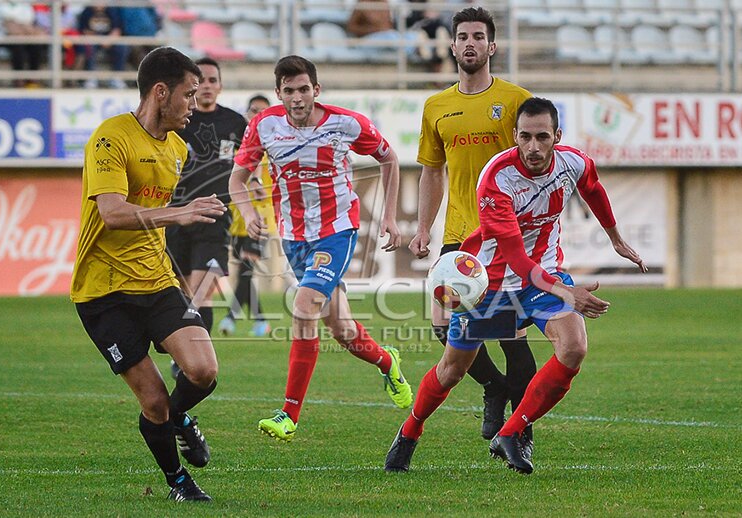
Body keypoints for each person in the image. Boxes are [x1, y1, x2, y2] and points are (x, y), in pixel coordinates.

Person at [385, 96, 648, 474]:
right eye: (525, 137)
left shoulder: (574, 162)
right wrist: (567, 292)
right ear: (515, 136)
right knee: (452, 371)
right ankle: (409, 432)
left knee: (573, 347)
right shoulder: (497, 178)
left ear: (558, 135)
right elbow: (516, 259)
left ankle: (512, 432)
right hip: (488, 284)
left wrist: (616, 239)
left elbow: (592, 186)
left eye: (542, 137)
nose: (533, 147)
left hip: (543, 277)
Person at [229, 55, 412, 442]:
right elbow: (237, 179)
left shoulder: (346, 123)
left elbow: (389, 159)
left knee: (303, 306)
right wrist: (247, 211)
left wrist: (390, 218)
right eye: (289, 91)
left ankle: (288, 413)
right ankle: (387, 361)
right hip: (293, 236)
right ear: (279, 93)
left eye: (304, 89)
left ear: (317, 89)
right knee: (342, 329)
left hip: (337, 231)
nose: (297, 98)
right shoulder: (264, 125)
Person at [71, 46, 225, 501]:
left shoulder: (177, 147)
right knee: (152, 399)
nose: (193, 105)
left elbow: (150, 219)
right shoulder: (110, 138)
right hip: (103, 292)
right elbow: (115, 214)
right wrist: (180, 214)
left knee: (203, 370)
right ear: (161, 92)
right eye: (188, 94)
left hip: (156, 281)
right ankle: (178, 482)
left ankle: (178, 418)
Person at [408, 6, 535, 443]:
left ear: (491, 46)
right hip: (460, 236)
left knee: (512, 335)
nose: (469, 43)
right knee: (443, 326)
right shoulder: (436, 106)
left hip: (508, 237)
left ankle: (521, 432)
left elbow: (539, 164)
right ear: (452, 45)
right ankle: (493, 388)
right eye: (462, 36)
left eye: (478, 36)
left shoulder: (517, 101)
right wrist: (424, 228)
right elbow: (431, 170)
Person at [165, 56, 247, 379]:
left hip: (216, 218)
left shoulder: (236, 123)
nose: (208, 87)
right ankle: (189, 356)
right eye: (202, 82)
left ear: (221, 86)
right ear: (192, 88)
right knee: (187, 295)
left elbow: (248, 165)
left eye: (214, 80)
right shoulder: (179, 121)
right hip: (178, 217)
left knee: (202, 292)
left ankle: (195, 358)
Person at [218, 94, 275, 338]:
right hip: (237, 217)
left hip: (260, 217)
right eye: (254, 110)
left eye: (263, 111)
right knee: (245, 272)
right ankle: (261, 320)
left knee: (245, 269)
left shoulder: (275, 144)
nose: (257, 115)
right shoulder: (239, 143)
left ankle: (231, 317)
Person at [74, 5, 129, 89]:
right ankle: (91, 77)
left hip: (109, 40)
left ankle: (117, 77)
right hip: (93, 40)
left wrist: (109, 40)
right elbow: (84, 31)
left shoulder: (112, 10)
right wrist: (99, 39)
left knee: (121, 47)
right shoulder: (87, 11)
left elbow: (117, 30)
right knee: (87, 46)